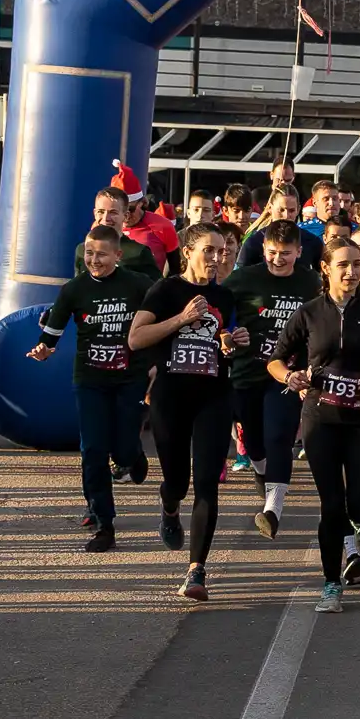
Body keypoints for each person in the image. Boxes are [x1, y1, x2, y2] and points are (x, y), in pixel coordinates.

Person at [269, 236, 360, 612]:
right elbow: (277, 359)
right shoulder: (309, 313)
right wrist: (289, 378)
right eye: (343, 264)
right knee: (331, 504)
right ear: (325, 268)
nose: (352, 271)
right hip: (320, 418)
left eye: (356, 264)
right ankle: (330, 584)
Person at [128, 225, 244, 597]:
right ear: (189, 252)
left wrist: (231, 342)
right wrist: (179, 319)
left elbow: (224, 335)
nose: (216, 258)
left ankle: (197, 570)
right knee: (177, 481)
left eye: (222, 251)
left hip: (214, 395)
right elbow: (136, 338)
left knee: (207, 482)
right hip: (171, 395)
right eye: (209, 251)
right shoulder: (166, 290)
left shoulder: (224, 295)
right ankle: (169, 506)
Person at [29, 225, 150, 552]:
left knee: (123, 449)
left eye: (102, 254)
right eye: (89, 253)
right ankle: (103, 523)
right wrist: (43, 348)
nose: (94, 260)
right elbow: (53, 328)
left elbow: (162, 310)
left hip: (130, 377)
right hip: (90, 379)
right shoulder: (74, 289)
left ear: (118, 256)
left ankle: (133, 454)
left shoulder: (137, 284)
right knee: (93, 448)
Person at [225, 221, 315, 537]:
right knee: (254, 441)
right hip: (248, 372)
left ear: (299, 252)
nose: (278, 259)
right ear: (263, 250)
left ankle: (272, 509)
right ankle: (262, 472)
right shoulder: (243, 279)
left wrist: (309, 371)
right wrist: (228, 335)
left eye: (286, 254)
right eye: (273, 253)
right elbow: (220, 312)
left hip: (287, 376)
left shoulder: (310, 282)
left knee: (279, 436)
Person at [237, 184, 323, 273]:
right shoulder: (254, 242)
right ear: (270, 208)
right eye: (281, 210)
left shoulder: (312, 242)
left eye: (291, 210)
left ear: (298, 210)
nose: (286, 216)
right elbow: (240, 278)